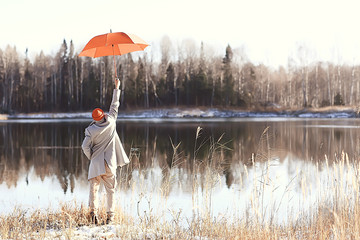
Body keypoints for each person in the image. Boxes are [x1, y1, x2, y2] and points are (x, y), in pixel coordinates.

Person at [81, 77, 130, 225]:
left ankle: (93, 215)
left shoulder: (90, 130)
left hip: (96, 163)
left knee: (93, 190)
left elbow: (84, 147)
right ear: (103, 115)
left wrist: (92, 157)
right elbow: (115, 105)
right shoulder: (112, 122)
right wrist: (117, 87)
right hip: (110, 163)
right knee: (111, 191)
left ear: (94, 119)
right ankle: (111, 217)